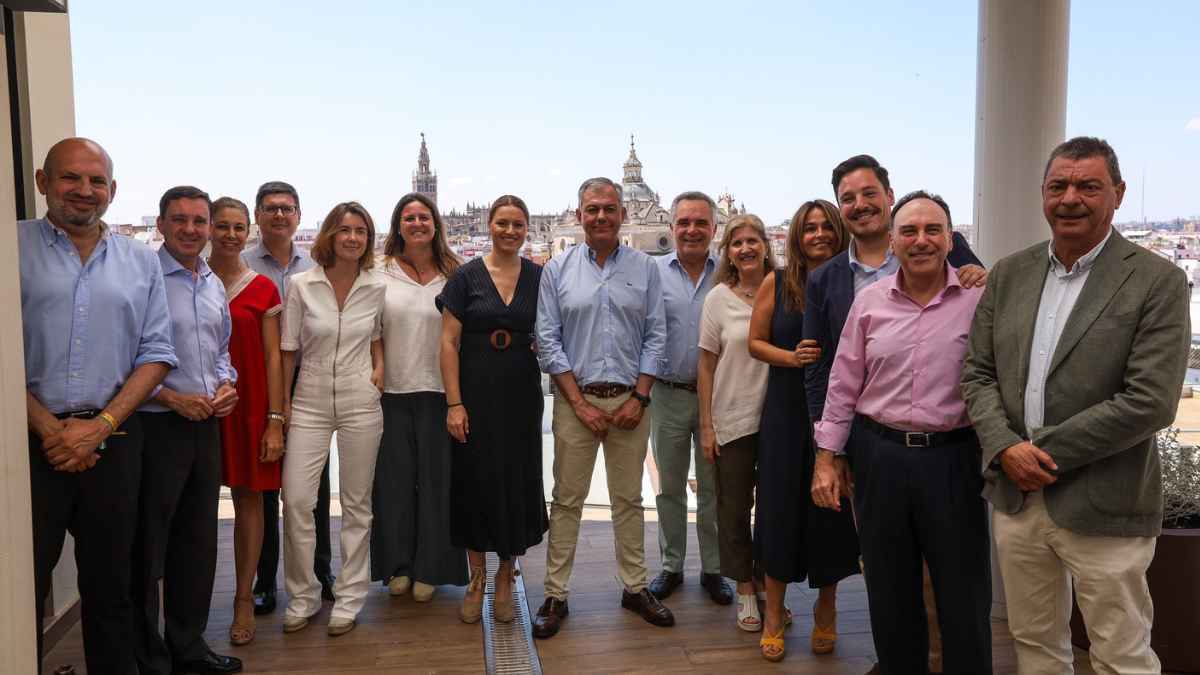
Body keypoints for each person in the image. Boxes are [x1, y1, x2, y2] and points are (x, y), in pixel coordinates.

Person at [962, 137, 1190, 674]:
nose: (1070, 198)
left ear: (1119, 194)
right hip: (1018, 500)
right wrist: (1005, 448)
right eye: (1058, 186)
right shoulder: (1010, 274)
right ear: (1043, 193)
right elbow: (977, 373)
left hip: (1106, 500)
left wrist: (1035, 451)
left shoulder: (1157, 281)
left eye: (1088, 186)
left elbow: (1150, 401)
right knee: (1035, 644)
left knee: (1121, 654)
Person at [803, 154, 986, 671]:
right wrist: (826, 456)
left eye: (933, 230)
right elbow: (841, 383)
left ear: (951, 239)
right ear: (894, 239)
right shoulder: (869, 302)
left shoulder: (979, 298)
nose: (921, 240)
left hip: (953, 458)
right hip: (879, 458)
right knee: (889, 588)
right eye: (910, 231)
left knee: (963, 590)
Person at [20, 138, 176, 675]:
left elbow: (157, 353)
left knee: (114, 588)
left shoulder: (140, 260)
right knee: (19, 586)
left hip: (114, 443)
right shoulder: (11, 247)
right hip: (25, 445)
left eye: (97, 181)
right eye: (71, 178)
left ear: (113, 190)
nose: (84, 190)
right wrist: (49, 428)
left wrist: (100, 426)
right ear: (43, 181)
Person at [532, 176, 672, 638]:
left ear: (623, 214)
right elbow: (548, 340)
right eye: (592, 209)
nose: (601, 217)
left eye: (609, 208)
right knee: (567, 500)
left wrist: (640, 396)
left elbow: (657, 335)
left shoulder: (645, 268)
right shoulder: (557, 269)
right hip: (576, 400)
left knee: (628, 500)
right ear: (579, 216)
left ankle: (634, 587)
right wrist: (579, 403)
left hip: (631, 400)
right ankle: (556, 593)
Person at [131, 186, 242, 675]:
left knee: (197, 543)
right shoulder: (143, 278)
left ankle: (188, 647)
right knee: (148, 546)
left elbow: (220, 349)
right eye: (180, 220)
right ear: (161, 225)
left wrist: (226, 384)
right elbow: (124, 357)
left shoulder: (212, 282)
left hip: (205, 426)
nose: (191, 229)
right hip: (156, 426)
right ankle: (148, 657)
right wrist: (173, 398)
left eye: (200, 221)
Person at [748, 200, 856, 662]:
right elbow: (755, 342)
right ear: (797, 235)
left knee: (830, 510)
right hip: (785, 410)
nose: (819, 234)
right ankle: (774, 614)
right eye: (809, 228)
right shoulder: (777, 282)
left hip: (838, 408)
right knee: (777, 509)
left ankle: (826, 608)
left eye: (827, 226)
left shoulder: (851, 282)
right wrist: (792, 358)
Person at [438, 195, 549, 624]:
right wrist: (454, 403)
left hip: (520, 391)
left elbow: (553, 330)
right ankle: (477, 577)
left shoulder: (539, 276)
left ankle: (505, 574)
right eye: (502, 223)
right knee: (474, 480)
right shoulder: (465, 277)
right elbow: (448, 343)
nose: (509, 231)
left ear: (527, 229)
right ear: (489, 225)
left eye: (517, 224)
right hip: (475, 390)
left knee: (516, 480)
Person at [280, 201, 386, 637]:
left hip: (361, 398)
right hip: (309, 398)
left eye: (361, 231)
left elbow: (377, 336)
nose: (352, 238)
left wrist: (379, 371)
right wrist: (282, 407)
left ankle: (350, 597)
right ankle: (303, 595)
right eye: (345, 230)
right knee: (297, 500)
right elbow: (288, 350)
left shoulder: (377, 286)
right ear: (330, 234)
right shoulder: (301, 285)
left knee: (358, 504)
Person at [241, 181, 336, 614]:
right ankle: (265, 581)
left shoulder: (317, 265)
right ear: (257, 215)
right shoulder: (240, 264)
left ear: (298, 215)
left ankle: (320, 572)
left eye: (287, 208)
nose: (279, 215)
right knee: (263, 486)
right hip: (257, 383)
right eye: (271, 208)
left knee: (314, 486)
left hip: (307, 382)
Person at [370, 192, 468, 602]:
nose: (416, 224)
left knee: (437, 484)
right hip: (390, 392)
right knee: (392, 485)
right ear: (398, 225)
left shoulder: (455, 272)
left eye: (424, 217)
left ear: (435, 224)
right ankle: (397, 566)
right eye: (408, 218)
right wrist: (377, 366)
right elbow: (371, 329)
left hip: (440, 392)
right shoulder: (379, 271)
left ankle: (432, 568)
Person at [207, 196, 286, 646]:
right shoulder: (188, 280)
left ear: (249, 230)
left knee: (250, 500)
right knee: (192, 508)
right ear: (209, 229)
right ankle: (187, 604)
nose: (231, 235)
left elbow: (274, 356)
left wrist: (274, 418)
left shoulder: (263, 288)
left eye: (239, 227)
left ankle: (243, 598)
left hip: (251, 403)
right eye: (223, 226)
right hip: (199, 406)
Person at [646, 191, 730, 607]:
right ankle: (671, 565)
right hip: (668, 393)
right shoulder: (652, 273)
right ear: (672, 227)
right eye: (684, 222)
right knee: (670, 486)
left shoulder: (729, 273)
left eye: (700, 223)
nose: (692, 230)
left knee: (714, 487)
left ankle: (714, 569)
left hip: (721, 398)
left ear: (714, 228)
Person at [696, 215, 775, 635]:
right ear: (727, 251)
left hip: (779, 420)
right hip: (733, 417)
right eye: (737, 243)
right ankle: (745, 587)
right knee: (734, 508)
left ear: (765, 245)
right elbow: (706, 365)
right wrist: (707, 426)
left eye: (752, 241)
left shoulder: (784, 290)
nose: (745, 249)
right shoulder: (718, 299)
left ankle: (768, 586)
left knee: (775, 510)